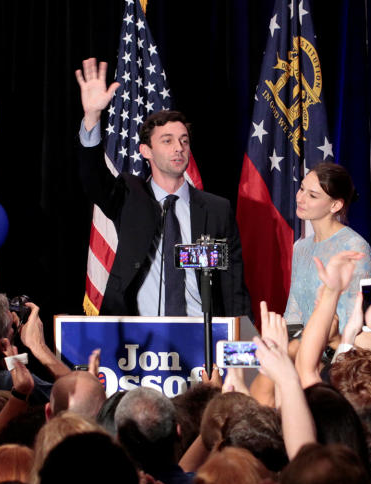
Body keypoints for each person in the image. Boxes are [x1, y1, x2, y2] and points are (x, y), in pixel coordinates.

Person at [75, 57, 249, 318]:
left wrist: (241, 345)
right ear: (146, 150)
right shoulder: (129, 195)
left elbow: (232, 285)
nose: (179, 148)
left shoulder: (216, 209)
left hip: (200, 334)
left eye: (183, 141)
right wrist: (92, 116)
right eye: (167, 141)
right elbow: (93, 179)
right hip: (139, 336)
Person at [284, 163, 371, 333]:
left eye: (312, 196)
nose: (300, 198)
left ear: (335, 205)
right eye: (302, 189)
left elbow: (355, 318)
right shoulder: (300, 247)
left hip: (340, 351)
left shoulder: (354, 246)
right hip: (303, 350)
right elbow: (293, 313)